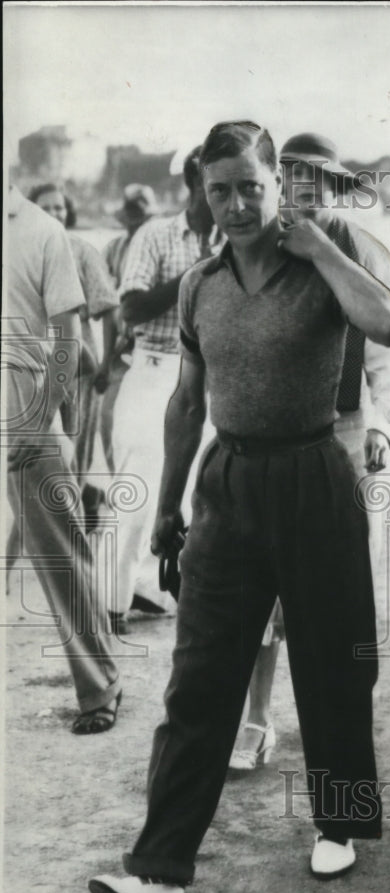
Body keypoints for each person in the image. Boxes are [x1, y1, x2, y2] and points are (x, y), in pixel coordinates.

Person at [88, 120, 390, 893]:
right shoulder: (199, 284)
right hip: (226, 484)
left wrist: (320, 251)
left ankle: (337, 824)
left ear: (277, 185)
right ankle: (160, 870)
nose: (233, 204)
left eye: (250, 187)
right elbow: (188, 403)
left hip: (314, 474)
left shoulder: (324, 260)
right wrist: (166, 506)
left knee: (332, 665)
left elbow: (389, 325)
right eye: (218, 189)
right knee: (199, 675)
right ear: (203, 190)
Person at [228, 131, 390, 771]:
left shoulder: (363, 247)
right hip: (274, 438)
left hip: (347, 433)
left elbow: (387, 353)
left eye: (317, 178)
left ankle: (341, 733)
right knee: (263, 587)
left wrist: (381, 426)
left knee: (340, 592)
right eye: (292, 174)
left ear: (334, 186)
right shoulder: (261, 248)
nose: (304, 187)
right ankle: (256, 720)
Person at [4, 184, 122, 734]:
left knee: (61, 557)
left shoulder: (41, 232)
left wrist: (38, 417)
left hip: (26, 419)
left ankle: (99, 689)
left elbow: (69, 341)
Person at [108, 147, 218, 632]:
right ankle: (109, 605)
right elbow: (130, 309)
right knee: (137, 494)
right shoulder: (155, 234)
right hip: (155, 371)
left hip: (213, 380)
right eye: (212, 185)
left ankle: (169, 593)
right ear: (193, 186)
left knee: (203, 497)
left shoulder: (242, 236)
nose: (223, 198)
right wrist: (199, 274)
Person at [28, 184, 120, 524]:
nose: (54, 214)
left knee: (76, 448)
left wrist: (107, 365)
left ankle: (80, 517)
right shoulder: (22, 250)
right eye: (46, 208)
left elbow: (109, 310)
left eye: (60, 208)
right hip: (34, 362)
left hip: (79, 363)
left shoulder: (81, 251)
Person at [100, 184, 160, 474]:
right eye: (132, 213)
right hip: (122, 352)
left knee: (149, 436)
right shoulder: (114, 249)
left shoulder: (162, 245)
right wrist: (104, 361)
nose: (138, 221)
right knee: (108, 424)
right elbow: (109, 311)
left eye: (142, 214)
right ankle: (116, 491)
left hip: (157, 353)